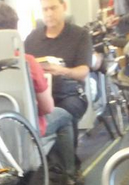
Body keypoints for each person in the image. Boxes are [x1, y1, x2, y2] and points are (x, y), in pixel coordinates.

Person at [0, 2, 79, 185]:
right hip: (25, 130)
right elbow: (47, 108)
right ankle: (69, 175)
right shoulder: (27, 62)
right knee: (63, 116)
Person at [24, 0, 93, 142]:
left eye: (53, 8)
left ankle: (67, 161)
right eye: (45, 10)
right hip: (40, 96)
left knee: (65, 111)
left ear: (64, 7)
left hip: (69, 94)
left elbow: (83, 71)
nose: (49, 13)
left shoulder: (80, 35)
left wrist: (62, 71)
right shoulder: (32, 38)